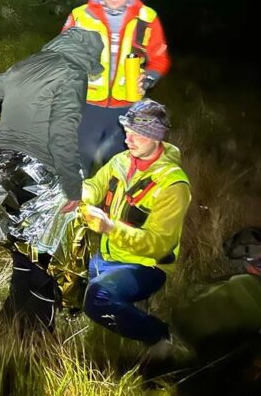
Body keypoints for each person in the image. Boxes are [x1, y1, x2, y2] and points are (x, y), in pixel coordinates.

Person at [0, 27, 103, 332]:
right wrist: (73, 187)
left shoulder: (25, 65)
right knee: (50, 250)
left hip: (7, 168)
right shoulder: (72, 72)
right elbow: (61, 134)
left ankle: (11, 320)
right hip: (39, 170)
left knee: (22, 242)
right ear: (86, 58)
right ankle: (37, 332)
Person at [80, 98, 190, 345]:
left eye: (136, 135)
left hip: (146, 266)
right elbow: (94, 186)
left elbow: (159, 245)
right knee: (65, 274)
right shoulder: (121, 161)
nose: (127, 140)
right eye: (127, 132)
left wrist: (110, 228)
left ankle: (161, 336)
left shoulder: (173, 184)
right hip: (109, 257)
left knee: (97, 298)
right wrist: (80, 198)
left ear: (156, 137)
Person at [62, 0, 171, 177]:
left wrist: (149, 77)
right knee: (76, 167)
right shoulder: (81, 16)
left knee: (117, 171)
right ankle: (71, 209)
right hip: (86, 106)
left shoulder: (147, 19)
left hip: (126, 110)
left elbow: (160, 59)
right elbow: (61, 56)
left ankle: (107, 210)